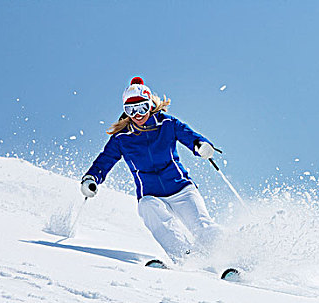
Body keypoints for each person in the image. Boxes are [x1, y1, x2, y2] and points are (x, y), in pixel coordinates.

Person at [81, 76, 222, 263]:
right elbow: (105, 160)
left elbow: (190, 136)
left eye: (142, 108)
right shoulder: (121, 137)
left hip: (181, 189)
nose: (137, 114)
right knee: (148, 208)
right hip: (150, 195)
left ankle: (229, 257)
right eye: (131, 110)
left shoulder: (167, 124)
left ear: (150, 105)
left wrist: (201, 146)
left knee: (203, 227)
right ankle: (186, 259)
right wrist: (92, 178)